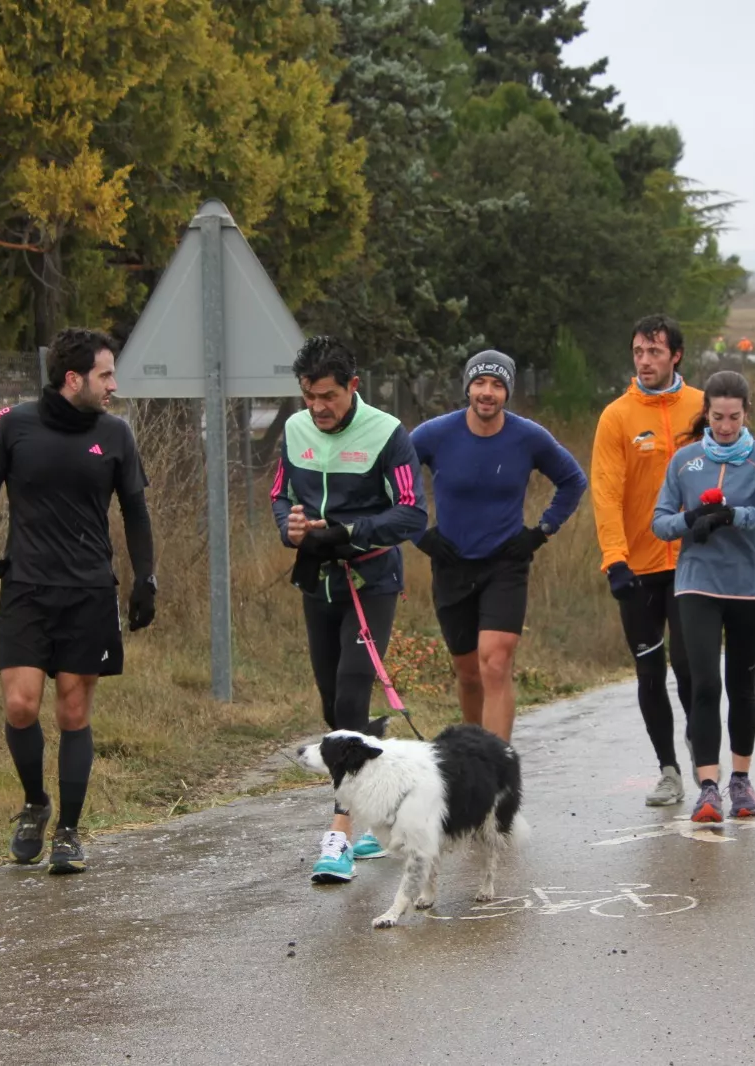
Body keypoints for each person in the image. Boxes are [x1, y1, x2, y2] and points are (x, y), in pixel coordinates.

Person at [0, 327, 156, 876]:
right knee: (21, 706)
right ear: (74, 379)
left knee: (73, 711)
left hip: (89, 592)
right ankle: (35, 804)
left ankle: (69, 831)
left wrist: (145, 578)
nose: (113, 385)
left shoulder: (115, 434)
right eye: (105, 375)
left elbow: (135, 511)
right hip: (26, 588)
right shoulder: (13, 424)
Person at [270, 336, 427, 884]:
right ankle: (378, 796)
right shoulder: (295, 430)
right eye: (309, 396)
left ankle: (339, 834)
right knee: (334, 703)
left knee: (353, 687)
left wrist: (349, 531)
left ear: (353, 386)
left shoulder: (387, 433)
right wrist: (289, 527)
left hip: (372, 579)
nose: (318, 407)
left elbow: (413, 514)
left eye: (329, 396)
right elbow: (280, 495)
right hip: (319, 580)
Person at [410, 351, 588, 741]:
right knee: (469, 672)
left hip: (506, 562)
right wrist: (420, 533)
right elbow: (393, 479)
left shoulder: (528, 437)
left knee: (495, 662)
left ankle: (497, 761)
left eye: (497, 385)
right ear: (468, 388)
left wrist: (541, 531)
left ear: (507, 392)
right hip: (451, 561)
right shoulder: (433, 435)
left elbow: (573, 480)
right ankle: (475, 755)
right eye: (479, 383)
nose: (487, 392)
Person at [650, 371, 755, 824]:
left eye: (734, 418)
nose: (725, 426)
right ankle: (708, 788)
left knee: (742, 686)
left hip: (751, 586)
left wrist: (732, 515)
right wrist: (693, 519)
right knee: (705, 683)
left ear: (747, 414)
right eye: (717, 417)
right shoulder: (684, 460)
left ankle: (741, 781)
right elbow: (660, 522)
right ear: (705, 413)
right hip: (697, 584)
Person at [593, 313, 704, 807]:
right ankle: (668, 771)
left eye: (655, 352)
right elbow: (605, 493)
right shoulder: (616, 416)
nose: (645, 361)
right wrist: (614, 559)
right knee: (650, 671)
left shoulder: (701, 407)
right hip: (637, 567)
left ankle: (702, 751)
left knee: (689, 665)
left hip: (693, 561)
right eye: (638, 351)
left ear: (675, 355)